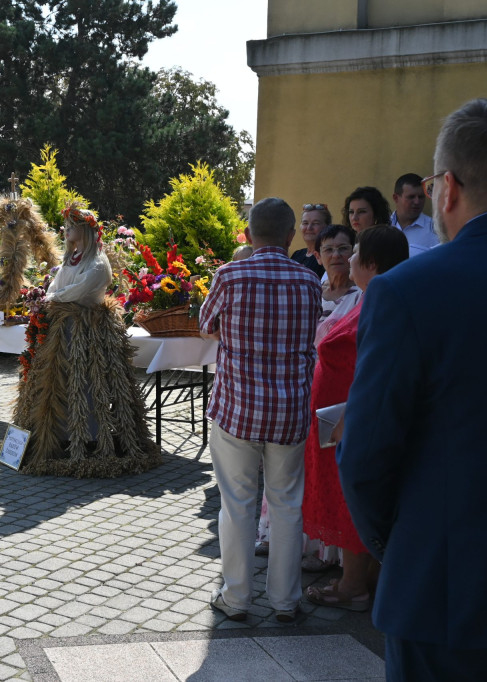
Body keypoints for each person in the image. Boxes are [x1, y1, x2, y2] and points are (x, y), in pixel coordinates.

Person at [339, 98, 487, 680]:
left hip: (448, 595)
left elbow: (364, 457)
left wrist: (403, 548)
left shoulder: (410, 292)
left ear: (450, 188)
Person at [199, 197, 321, 624]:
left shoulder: (229, 275)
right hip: (289, 411)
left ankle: (236, 598)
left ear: (249, 235)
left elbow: (206, 325)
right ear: (291, 236)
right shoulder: (309, 282)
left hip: (238, 408)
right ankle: (286, 601)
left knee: (237, 504)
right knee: (287, 504)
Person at [302, 226, 408, 612]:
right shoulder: (372, 296)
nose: (347, 257)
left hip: (348, 423)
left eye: (355, 249)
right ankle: (363, 579)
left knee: (351, 500)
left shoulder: (381, 299)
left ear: (372, 262)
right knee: (349, 499)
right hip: (341, 421)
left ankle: (352, 588)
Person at [12, 202, 159, 477]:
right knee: (61, 383)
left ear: (86, 231)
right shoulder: (73, 257)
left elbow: (78, 290)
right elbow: (58, 285)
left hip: (87, 331)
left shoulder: (98, 263)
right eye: (66, 226)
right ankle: (58, 435)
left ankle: (89, 438)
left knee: (88, 385)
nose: (66, 230)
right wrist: (50, 296)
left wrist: (52, 298)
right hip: (62, 328)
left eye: (71, 226)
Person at [313, 224, 360, 345]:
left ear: (353, 252)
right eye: (328, 250)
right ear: (318, 257)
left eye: (343, 248)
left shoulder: (362, 294)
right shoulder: (313, 292)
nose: (336, 255)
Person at [390, 173, 439, 256]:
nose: (417, 202)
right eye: (411, 197)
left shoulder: (435, 231)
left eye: (421, 197)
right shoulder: (383, 225)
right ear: (396, 198)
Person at [291, 203, 330, 278]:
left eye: (315, 223)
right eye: (305, 223)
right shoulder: (297, 254)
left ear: (327, 227)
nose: (309, 227)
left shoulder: (327, 256)